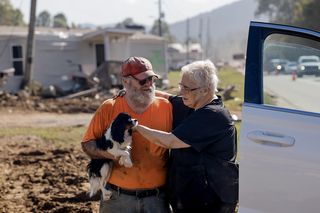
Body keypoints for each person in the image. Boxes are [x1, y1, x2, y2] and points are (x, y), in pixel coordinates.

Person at [134, 60, 239, 213]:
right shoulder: (193, 103)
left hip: (210, 202)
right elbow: (168, 98)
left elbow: (169, 141)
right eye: (181, 86)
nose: (181, 92)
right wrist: (138, 91)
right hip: (192, 197)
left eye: (187, 88)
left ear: (205, 90)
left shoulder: (213, 116)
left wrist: (135, 126)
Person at [81, 56, 172, 213]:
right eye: (143, 81)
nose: (149, 84)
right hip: (117, 199)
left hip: (156, 200)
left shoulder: (167, 107)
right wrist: (110, 154)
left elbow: (188, 99)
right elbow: (87, 144)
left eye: (152, 79)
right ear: (126, 81)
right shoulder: (109, 107)